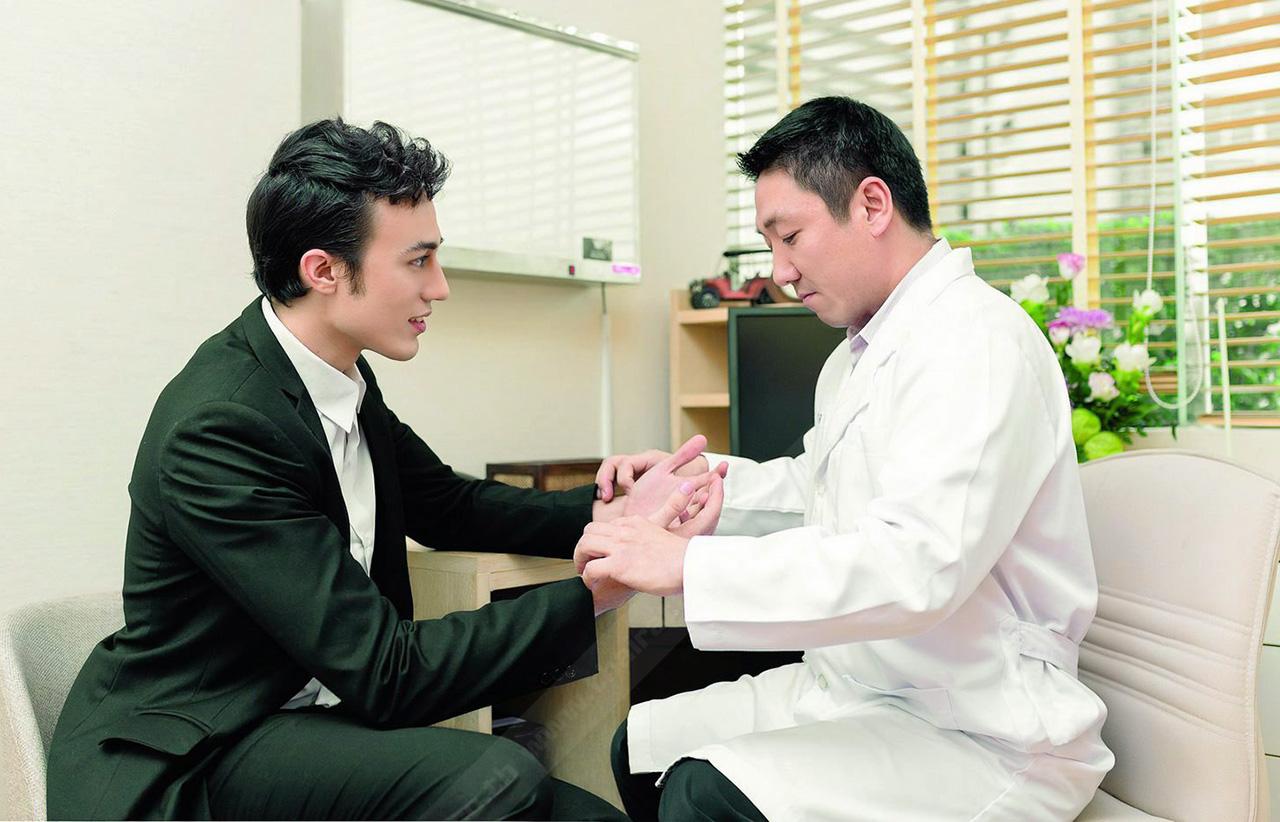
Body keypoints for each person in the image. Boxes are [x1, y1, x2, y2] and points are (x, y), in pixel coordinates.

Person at [46, 118, 721, 821]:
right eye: (418, 261)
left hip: (307, 726)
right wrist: (596, 592)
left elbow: (450, 505)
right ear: (323, 271)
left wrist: (611, 512)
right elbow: (387, 671)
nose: (440, 287)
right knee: (499, 777)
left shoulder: (337, 378)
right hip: (201, 756)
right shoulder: (223, 427)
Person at [581, 97, 1115, 820]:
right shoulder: (859, 354)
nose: (780, 271)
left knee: (703, 795)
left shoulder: (976, 343)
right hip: (870, 685)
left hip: (981, 725)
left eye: (790, 236)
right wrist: (699, 487)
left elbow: (917, 565)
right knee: (641, 748)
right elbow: (822, 489)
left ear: (871, 205)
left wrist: (688, 567)